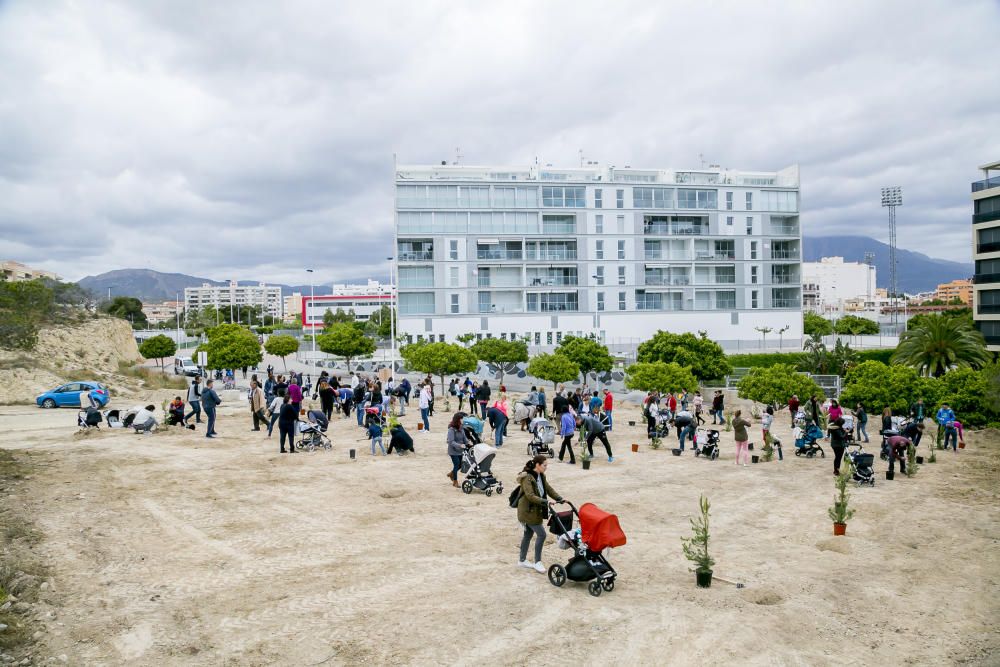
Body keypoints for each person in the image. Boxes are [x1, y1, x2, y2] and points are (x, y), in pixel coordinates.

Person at [516, 455, 565, 573]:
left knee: (528, 534)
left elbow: (548, 489)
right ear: (537, 465)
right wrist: (546, 502)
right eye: (544, 465)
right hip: (528, 511)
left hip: (535, 510)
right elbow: (530, 496)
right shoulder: (527, 478)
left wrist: (559, 498)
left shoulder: (541, 475)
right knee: (542, 535)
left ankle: (522, 561)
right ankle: (537, 562)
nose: (546, 467)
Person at [446, 413, 467, 487]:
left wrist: (468, 442)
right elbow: (451, 441)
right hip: (453, 451)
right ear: (458, 420)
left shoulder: (461, 428)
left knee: (461, 465)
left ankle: (452, 473)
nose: (463, 420)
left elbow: (464, 438)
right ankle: (455, 481)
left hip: (460, 450)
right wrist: (460, 445)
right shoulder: (451, 429)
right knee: (456, 464)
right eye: (461, 419)